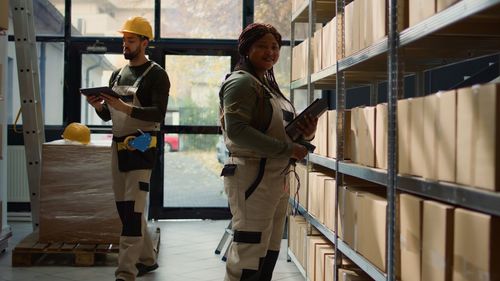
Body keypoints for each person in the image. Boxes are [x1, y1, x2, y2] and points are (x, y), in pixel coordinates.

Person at [219, 23, 317, 281]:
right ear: (247, 48)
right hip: (252, 175)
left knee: (269, 250)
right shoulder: (240, 83)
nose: (270, 52)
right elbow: (238, 131)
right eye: (262, 45)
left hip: (277, 176)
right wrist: (287, 149)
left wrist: (305, 133)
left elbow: (277, 131)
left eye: (274, 47)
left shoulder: (268, 86)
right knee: (250, 251)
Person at [85, 16, 170, 281]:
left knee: (134, 208)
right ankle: (147, 258)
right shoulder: (117, 74)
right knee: (124, 207)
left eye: (131, 40)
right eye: (124, 40)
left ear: (144, 43)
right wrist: (99, 105)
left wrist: (124, 107)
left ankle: (126, 271)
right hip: (119, 143)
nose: (125, 44)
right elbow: (108, 118)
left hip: (144, 141)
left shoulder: (157, 75)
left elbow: (158, 113)